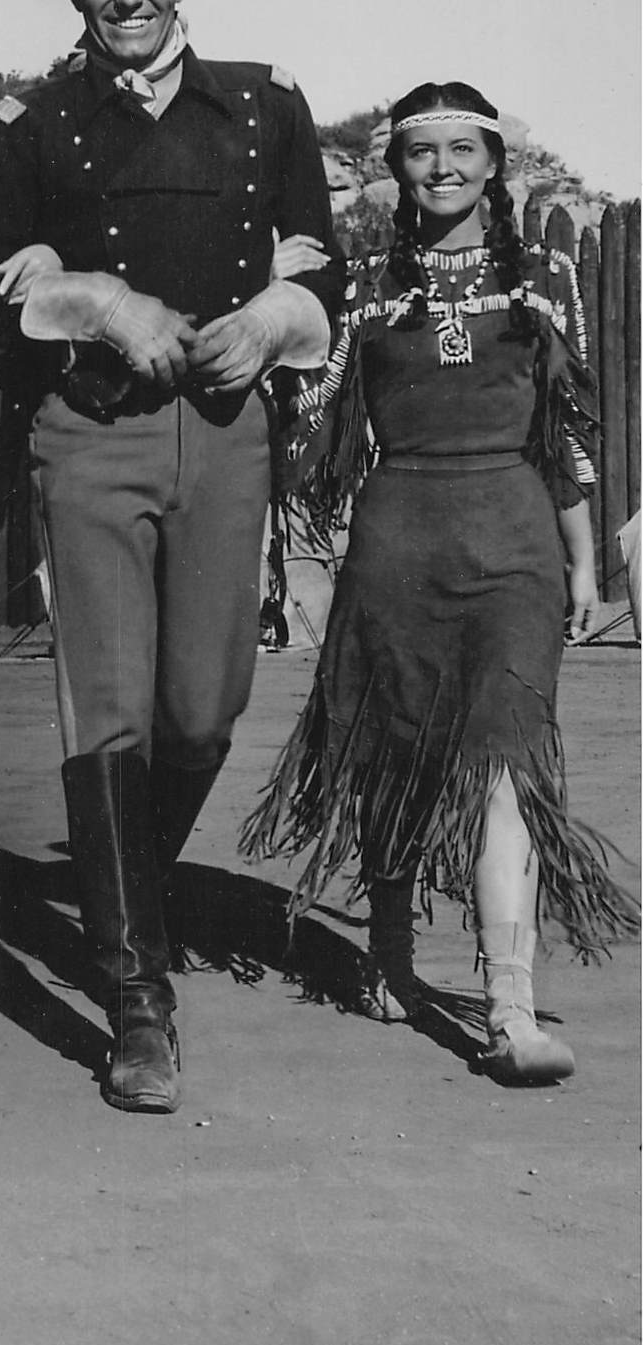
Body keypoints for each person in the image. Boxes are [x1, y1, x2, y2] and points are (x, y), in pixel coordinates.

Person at [0, 0, 345, 1113]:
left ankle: (132, 898)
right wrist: (94, 302)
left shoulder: (265, 110)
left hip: (226, 439)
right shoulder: (31, 128)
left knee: (206, 706)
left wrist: (274, 317)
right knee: (106, 708)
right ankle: (134, 997)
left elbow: (327, 272)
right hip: (92, 437)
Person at [242, 82, 639, 1082]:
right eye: (425, 152)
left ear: (495, 163)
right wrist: (267, 297)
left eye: (465, 150)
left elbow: (570, 430)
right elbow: (312, 420)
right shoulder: (366, 283)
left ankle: (510, 1010)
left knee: (509, 760)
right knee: (398, 755)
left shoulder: (545, 272)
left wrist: (586, 561)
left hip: (515, 543)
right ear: (397, 166)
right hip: (397, 544)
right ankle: (388, 952)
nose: (445, 168)